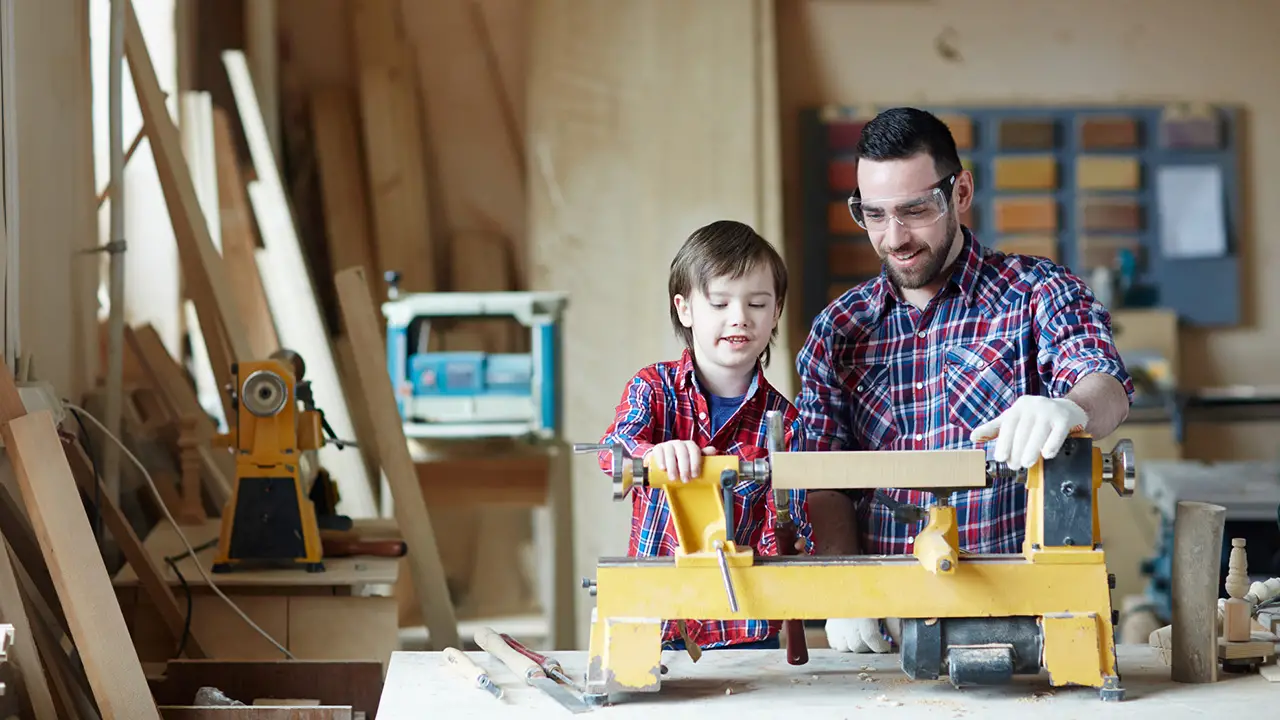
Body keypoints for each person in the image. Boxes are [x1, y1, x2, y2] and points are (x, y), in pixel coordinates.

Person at [795, 107, 1134, 653]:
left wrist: (1071, 408)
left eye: (914, 210)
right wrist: (847, 588)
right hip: (891, 631)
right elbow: (821, 474)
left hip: (1023, 624)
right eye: (874, 215)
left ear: (960, 192)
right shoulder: (840, 329)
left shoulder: (1036, 292)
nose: (894, 236)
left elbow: (1105, 383)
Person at [597, 219, 815, 651]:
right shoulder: (653, 389)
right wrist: (654, 455)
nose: (739, 318)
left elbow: (787, 527)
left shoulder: (785, 423)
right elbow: (612, 455)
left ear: (776, 312)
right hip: (657, 619)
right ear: (685, 309)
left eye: (757, 303)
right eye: (719, 303)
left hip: (744, 630)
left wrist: (797, 543)